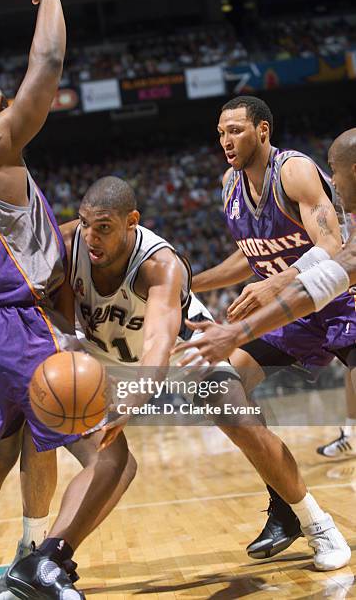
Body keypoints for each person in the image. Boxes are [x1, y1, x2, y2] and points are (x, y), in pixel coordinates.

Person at [41, 175, 351, 575]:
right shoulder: (69, 244)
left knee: (238, 420)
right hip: (105, 353)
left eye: (103, 227)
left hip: (181, 346)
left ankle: (316, 522)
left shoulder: (160, 265)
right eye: (85, 224)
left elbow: (157, 344)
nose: (91, 237)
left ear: (131, 221)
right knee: (108, 458)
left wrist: (132, 400)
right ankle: (48, 556)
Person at [0, 0, 135, 599]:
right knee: (113, 455)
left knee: (1, 453)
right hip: (12, 324)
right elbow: (49, 62)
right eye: (2, 109)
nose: (14, 119)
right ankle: (45, 568)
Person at [174, 96, 356, 561]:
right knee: (218, 388)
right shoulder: (229, 186)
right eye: (220, 132)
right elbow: (251, 253)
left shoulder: (292, 171)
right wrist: (190, 279)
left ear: (262, 132)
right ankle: (288, 506)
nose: (225, 140)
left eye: (235, 130)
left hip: (340, 301)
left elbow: (333, 243)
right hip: (291, 315)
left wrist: (273, 281)